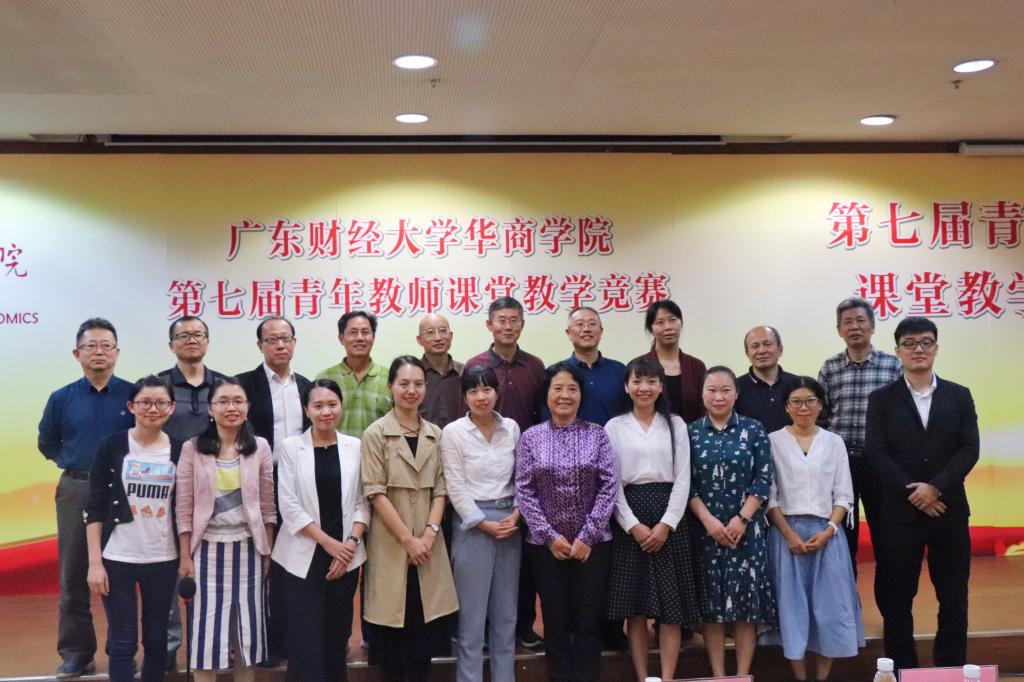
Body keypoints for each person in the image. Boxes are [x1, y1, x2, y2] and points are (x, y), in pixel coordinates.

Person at [864, 317, 979, 671]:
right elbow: (876, 452)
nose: (918, 349)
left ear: (936, 348)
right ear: (897, 351)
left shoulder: (959, 395)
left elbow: (969, 448)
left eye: (926, 342)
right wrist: (913, 492)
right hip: (899, 515)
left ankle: (951, 669)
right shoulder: (881, 399)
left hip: (949, 510)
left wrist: (935, 487)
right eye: (910, 343)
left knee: (954, 597)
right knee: (897, 600)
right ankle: (902, 670)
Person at [38, 317, 135, 679]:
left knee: (121, 573)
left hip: (124, 490)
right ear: (77, 353)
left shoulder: (133, 395)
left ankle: (121, 649)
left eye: (106, 345)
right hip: (77, 489)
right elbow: (47, 442)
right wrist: (74, 464)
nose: (99, 352)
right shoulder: (61, 398)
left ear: (117, 352)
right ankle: (77, 653)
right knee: (74, 573)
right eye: (91, 346)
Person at [515, 362, 618, 682]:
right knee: (556, 622)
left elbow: (609, 486)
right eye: (557, 388)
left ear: (581, 395)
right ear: (546, 394)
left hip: (593, 546)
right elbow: (524, 491)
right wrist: (550, 537)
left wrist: (588, 535)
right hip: (546, 548)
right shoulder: (531, 437)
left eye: (572, 389)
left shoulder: (597, 435)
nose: (564, 395)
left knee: (588, 621)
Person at [360, 356, 458, 682]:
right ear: (391, 387)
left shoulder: (436, 434)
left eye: (417, 384)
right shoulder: (376, 433)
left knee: (422, 640)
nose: (411, 390)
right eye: (403, 384)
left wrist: (428, 535)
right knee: (392, 637)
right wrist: (408, 540)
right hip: (392, 544)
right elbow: (375, 492)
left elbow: (441, 489)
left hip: (428, 548)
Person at [604, 358, 701, 682]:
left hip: (670, 517)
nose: (643, 388)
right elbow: (611, 483)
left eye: (651, 382)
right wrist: (631, 524)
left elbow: (683, 478)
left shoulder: (676, 424)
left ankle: (668, 677)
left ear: (661, 387)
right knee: (635, 608)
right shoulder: (614, 427)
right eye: (637, 381)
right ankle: (643, 676)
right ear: (626, 386)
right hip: (629, 519)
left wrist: (666, 523)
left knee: (671, 608)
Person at [175, 378, 276, 682]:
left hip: (249, 550)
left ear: (247, 407)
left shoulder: (260, 447)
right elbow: (184, 508)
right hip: (206, 551)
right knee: (206, 637)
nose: (231, 407)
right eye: (223, 401)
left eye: (238, 401)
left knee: (247, 636)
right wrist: (185, 556)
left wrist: (267, 551)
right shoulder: (192, 448)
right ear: (210, 409)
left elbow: (268, 506)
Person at [765, 377, 864, 682]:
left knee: (829, 608)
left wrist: (830, 530)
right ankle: (800, 677)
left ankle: (822, 677)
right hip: (785, 535)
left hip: (827, 535)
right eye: (796, 402)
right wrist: (789, 534)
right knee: (791, 608)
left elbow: (844, 495)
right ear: (786, 407)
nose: (803, 408)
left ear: (821, 405)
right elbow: (769, 496)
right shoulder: (772, 441)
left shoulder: (833, 442)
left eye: (810, 401)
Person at [84, 376, 183, 682]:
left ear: (172, 408)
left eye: (161, 403)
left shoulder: (181, 450)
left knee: (156, 639)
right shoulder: (112, 446)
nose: (153, 409)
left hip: (163, 559)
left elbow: (186, 509)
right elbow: (95, 506)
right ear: (131, 406)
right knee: (122, 640)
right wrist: (95, 563)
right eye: (145, 402)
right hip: (118, 558)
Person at [273, 379, 368, 682]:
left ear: (341, 406)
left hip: (347, 556)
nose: (326, 411)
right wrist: (330, 545)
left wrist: (350, 543)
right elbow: (289, 506)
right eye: (318, 406)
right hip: (304, 554)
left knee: (337, 637)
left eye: (332, 404)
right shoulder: (291, 448)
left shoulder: (355, 446)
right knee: (305, 640)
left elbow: (363, 501)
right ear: (306, 410)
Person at [465, 296, 546, 648]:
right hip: (484, 473)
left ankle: (523, 625)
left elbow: (542, 414)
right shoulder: (476, 365)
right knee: (482, 563)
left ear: (522, 325)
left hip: (527, 469)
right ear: (489, 325)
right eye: (501, 320)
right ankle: (484, 629)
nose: (508, 326)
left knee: (524, 556)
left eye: (514, 320)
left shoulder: (536, 366)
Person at [687, 366, 776, 677]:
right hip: (705, 531)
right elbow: (687, 484)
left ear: (736, 394)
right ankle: (718, 676)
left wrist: (742, 518)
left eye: (725, 390)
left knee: (744, 608)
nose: (719, 396)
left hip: (746, 532)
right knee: (712, 609)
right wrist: (709, 521)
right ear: (702, 395)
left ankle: (741, 675)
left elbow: (763, 478)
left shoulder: (753, 429)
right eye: (712, 390)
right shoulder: (690, 432)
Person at [235, 316, 311, 663]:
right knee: (260, 562)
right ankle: (257, 643)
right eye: (272, 340)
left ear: (294, 342)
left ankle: (288, 639)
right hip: (258, 482)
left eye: (286, 338)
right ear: (260, 345)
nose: (280, 345)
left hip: (298, 484)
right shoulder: (243, 385)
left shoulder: (307, 386)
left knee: (292, 562)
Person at [440, 365, 521, 682]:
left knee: (506, 615)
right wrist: (483, 523)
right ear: (465, 397)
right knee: (471, 619)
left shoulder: (511, 428)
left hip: (509, 523)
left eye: (487, 389)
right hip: (472, 526)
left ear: (497, 392)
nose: (481, 397)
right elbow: (455, 486)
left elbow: (522, 478)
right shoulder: (454, 432)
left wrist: (517, 514)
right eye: (473, 391)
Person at [158, 315, 227, 671]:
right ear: (171, 344)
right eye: (183, 335)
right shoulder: (158, 386)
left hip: (217, 493)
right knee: (169, 572)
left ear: (208, 341)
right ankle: (169, 647)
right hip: (166, 491)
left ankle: (216, 643)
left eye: (198, 334)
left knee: (214, 572)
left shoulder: (224, 386)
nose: (191, 340)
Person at [817, 297, 901, 569]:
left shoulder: (893, 366)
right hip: (841, 464)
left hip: (881, 463)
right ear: (839, 329)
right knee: (843, 536)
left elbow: (903, 418)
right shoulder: (830, 368)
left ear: (872, 326)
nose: (854, 327)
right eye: (847, 322)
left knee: (886, 534)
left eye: (860, 320)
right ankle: (846, 594)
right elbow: (821, 417)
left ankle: (890, 595)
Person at [543, 306, 626, 426]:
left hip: (613, 438)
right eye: (580, 324)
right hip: (569, 438)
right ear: (568, 333)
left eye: (592, 324)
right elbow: (547, 417)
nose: (586, 329)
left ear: (601, 332)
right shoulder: (556, 374)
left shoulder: (619, 370)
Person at [316, 310, 391, 438]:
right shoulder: (325, 378)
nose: (360, 338)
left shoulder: (389, 378)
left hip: (380, 450)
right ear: (341, 338)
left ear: (373, 338)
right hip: (336, 450)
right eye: (353, 332)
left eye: (365, 332)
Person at [635, 299, 706, 424]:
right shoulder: (637, 366)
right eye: (660, 322)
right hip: (650, 434)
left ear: (681, 324)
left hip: (691, 434)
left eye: (672, 320)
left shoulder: (697, 367)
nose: (667, 327)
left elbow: (704, 407)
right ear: (651, 329)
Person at [735, 326, 798, 434]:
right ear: (747, 354)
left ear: (780, 349)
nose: (762, 351)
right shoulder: (735, 388)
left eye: (767, 344)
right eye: (755, 346)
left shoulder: (797, 385)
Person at [416, 313, 466, 429]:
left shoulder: (465, 372)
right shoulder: (413, 376)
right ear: (419, 340)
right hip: (422, 438)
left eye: (443, 331)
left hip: (461, 439)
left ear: (451, 336)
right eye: (430, 332)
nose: (438, 338)